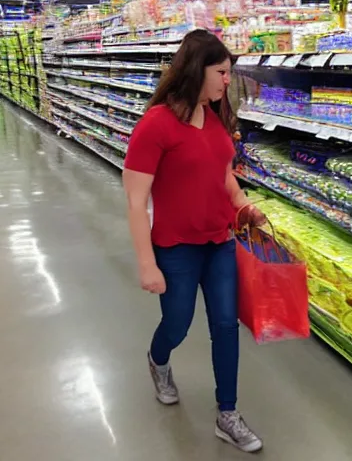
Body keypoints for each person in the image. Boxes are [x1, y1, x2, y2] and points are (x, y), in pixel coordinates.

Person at [122, 29, 265, 454]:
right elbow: (135, 200)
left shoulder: (215, 118)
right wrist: (146, 263)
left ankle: (228, 414)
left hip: (219, 241)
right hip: (176, 247)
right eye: (221, 71)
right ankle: (158, 360)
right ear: (196, 70)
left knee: (225, 325)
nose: (227, 81)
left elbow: (223, 173)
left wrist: (243, 206)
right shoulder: (157, 124)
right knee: (178, 323)